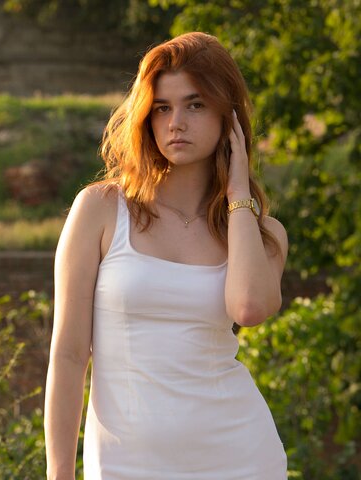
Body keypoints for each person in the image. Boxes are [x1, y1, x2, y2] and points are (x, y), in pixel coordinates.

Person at [44, 32, 289, 479]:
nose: (176, 122)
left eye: (195, 105)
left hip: (241, 458)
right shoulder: (101, 209)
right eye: (162, 107)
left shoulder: (261, 234)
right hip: (125, 465)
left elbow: (249, 309)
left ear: (228, 117)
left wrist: (237, 193)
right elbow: (69, 354)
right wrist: (59, 473)